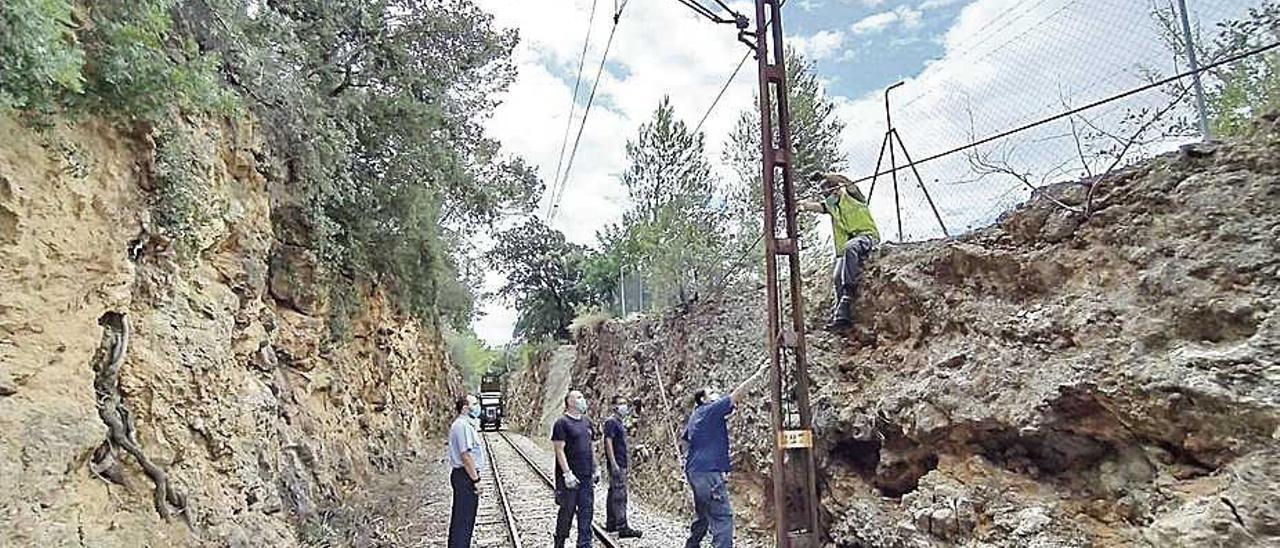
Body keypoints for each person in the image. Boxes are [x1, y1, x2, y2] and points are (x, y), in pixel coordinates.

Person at [681, 361, 771, 548]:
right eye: (712, 392)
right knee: (722, 516)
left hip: (695, 471)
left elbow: (685, 440)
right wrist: (759, 373)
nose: (716, 394)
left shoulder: (696, 415)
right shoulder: (711, 410)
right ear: (704, 399)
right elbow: (736, 395)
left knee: (704, 512)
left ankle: (692, 545)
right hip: (707, 472)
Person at [799, 171, 881, 330]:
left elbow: (845, 181)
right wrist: (801, 206)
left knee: (851, 247)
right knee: (837, 275)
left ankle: (848, 294)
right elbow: (816, 207)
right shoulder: (832, 207)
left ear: (836, 189)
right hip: (847, 247)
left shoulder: (853, 196)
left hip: (866, 236)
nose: (826, 196)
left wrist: (825, 175)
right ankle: (841, 316)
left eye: (828, 191)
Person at [552, 390, 600, 548]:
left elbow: (591, 446)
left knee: (587, 511)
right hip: (570, 477)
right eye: (578, 397)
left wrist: (596, 467)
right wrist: (567, 474)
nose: (582, 400)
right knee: (567, 511)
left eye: (582, 397)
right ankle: (559, 542)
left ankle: (584, 543)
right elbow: (559, 449)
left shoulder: (586, 421)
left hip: (586, 476)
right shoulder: (562, 423)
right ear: (569, 402)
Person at [447, 394, 484, 548]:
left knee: (463, 518)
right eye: (474, 403)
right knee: (464, 520)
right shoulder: (461, 426)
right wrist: (476, 480)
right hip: (465, 476)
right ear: (465, 407)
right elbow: (465, 455)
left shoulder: (464, 425)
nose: (477, 406)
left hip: (464, 475)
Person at [603, 396, 642, 538]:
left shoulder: (619, 423)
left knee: (613, 491)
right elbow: (608, 442)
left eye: (625, 403)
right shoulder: (611, 422)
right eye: (621, 404)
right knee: (620, 494)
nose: (624, 406)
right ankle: (622, 526)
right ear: (614, 406)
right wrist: (613, 463)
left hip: (621, 463)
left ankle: (611, 523)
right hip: (618, 463)